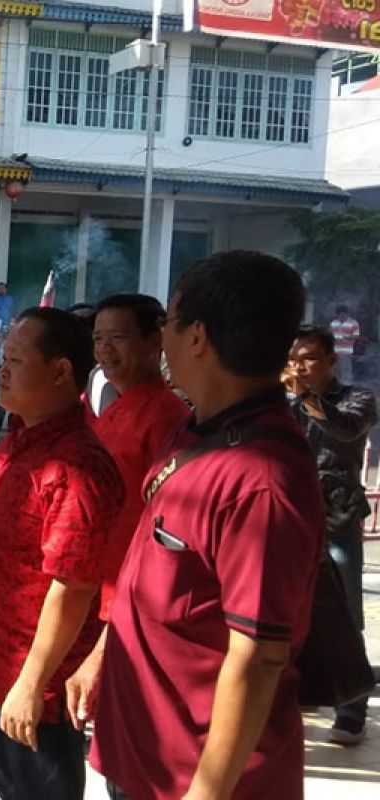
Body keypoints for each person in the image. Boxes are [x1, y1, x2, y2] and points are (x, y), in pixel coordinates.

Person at [90, 251, 324, 800]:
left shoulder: (260, 480)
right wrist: (105, 654)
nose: (164, 338)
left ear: (197, 336)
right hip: (144, 754)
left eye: (168, 323)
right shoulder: (197, 432)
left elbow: (260, 657)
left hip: (193, 776)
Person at [0, 307, 123, 800]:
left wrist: (33, 683)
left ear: (60, 371)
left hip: (37, 679)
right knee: (9, 784)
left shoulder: (76, 464)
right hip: (1, 659)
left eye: (15, 359)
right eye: (2, 358)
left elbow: (73, 585)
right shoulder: (23, 441)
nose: (1, 370)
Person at [63, 294, 189, 728]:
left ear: (156, 341)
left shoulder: (166, 417)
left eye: (118, 337)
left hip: (134, 593)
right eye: (98, 339)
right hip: (100, 584)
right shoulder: (113, 408)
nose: (104, 350)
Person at [285, 324, 377, 745]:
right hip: (289, 518)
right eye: (294, 358)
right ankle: (298, 695)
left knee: (347, 611)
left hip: (336, 518)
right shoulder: (282, 402)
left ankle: (351, 706)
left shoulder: (357, 398)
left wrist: (305, 397)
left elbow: (345, 428)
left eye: (308, 358)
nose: (300, 366)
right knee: (284, 612)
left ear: (331, 361)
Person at [330, 305, 361, 384]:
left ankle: (347, 388)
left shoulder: (354, 323)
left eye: (343, 315)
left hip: (346, 351)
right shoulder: (333, 323)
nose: (341, 317)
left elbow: (356, 336)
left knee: (345, 371)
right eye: (339, 315)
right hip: (335, 350)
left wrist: (345, 337)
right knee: (335, 370)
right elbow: (329, 334)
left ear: (347, 314)